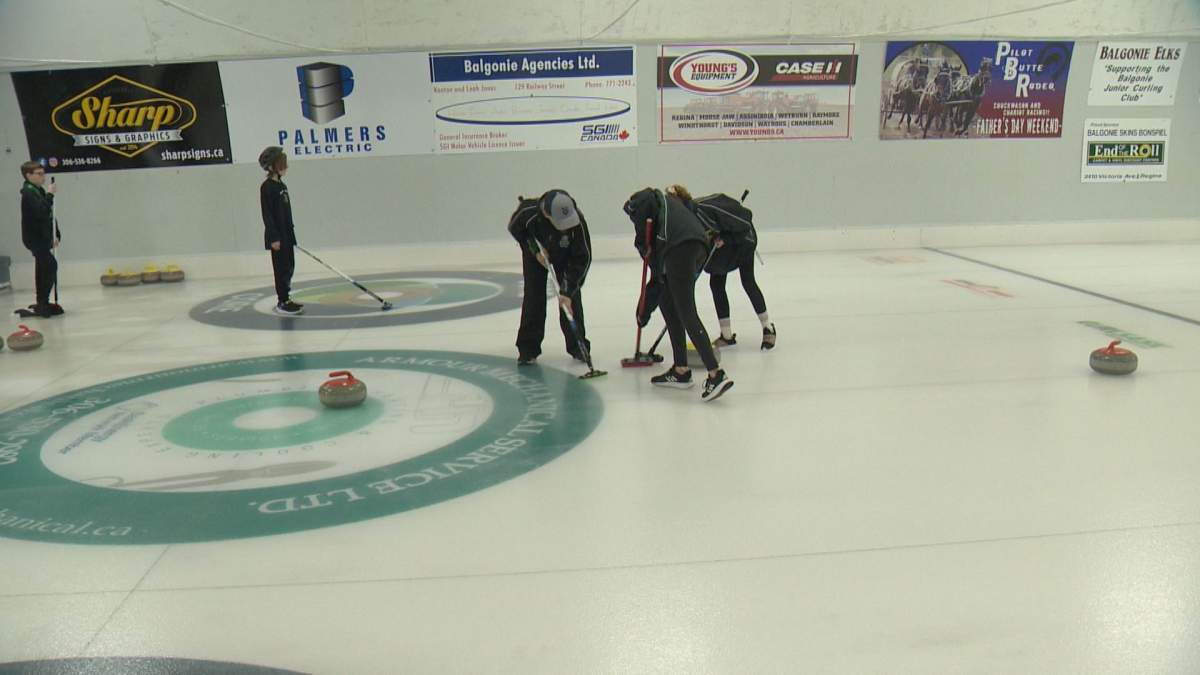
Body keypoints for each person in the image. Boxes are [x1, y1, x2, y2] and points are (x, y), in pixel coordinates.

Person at [625, 186, 733, 402]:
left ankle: (716, 374)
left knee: (686, 311)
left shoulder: (650, 212)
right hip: (694, 246)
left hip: (681, 249)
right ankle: (680, 370)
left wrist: (642, 312)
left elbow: (654, 276)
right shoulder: (666, 208)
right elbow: (659, 279)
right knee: (669, 304)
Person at [676, 185, 776, 350]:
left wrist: (725, 238)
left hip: (743, 243)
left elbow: (745, 222)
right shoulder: (686, 217)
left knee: (748, 282)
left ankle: (768, 328)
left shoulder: (706, 209)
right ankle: (727, 335)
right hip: (722, 250)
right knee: (716, 285)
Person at [507, 189, 592, 365]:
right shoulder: (528, 213)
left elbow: (583, 258)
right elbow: (516, 230)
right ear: (546, 214)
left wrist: (567, 291)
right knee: (534, 296)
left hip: (566, 256)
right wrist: (535, 250)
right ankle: (528, 348)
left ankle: (578, 346)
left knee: (571, 299)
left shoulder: (577, 221)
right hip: (536, 255)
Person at [258, 147, 303, 316]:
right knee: (281, 268)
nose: (286, 167)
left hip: (287, 235)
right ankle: (282, 300)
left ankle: (287, 297)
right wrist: (274, 237)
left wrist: (291, 234)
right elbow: (267, 215)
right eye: (282, 164)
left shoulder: (282, 185)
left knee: (289, 265)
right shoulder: (267, 187)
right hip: (277, 237)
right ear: (271, 167)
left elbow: (286, 213)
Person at [18, 161, 62, 319]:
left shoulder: (38, 190)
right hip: (34, 238)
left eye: (43, 173)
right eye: (39, 174)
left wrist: (55, 233)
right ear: (29, 175)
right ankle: (42, 301)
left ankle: (42, 301)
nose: (43, 177)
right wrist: (50, 194)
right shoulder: (28, 193)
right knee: (50, 265)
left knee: (42, 267)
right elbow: (41, 212)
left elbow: (50, 214)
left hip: (43, 236)